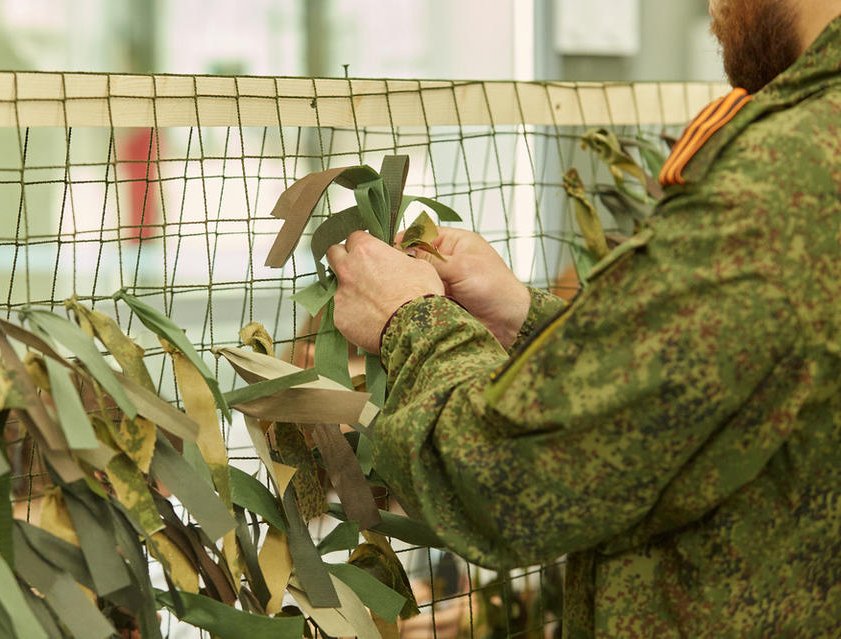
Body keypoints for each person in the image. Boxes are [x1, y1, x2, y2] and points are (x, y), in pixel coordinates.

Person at [325, 1, 841, 637]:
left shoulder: (780, 183)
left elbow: (501, 481)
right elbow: (707, 387)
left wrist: (409, 319)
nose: (714, 12)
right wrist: (526, 320)